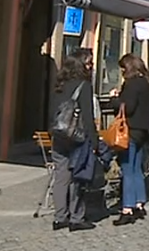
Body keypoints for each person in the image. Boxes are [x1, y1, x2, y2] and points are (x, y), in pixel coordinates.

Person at [48, 54, 98, 232]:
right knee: (78, 176)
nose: (90, 66)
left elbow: (53, 112)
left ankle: (59, 217)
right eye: (88, 63)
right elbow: (87, 115)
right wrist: (94, 141)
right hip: (77, 137)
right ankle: (76, 217)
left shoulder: (59, 85)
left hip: (59, 135)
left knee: (61, 177)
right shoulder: (84, 85)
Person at [110, 54, 149, 226]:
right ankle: (139, 202)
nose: (121, 71)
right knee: (137, 168)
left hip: (130, 130)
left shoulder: (131, 84)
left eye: (122, 68)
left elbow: (127, 107)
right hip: (143, 131)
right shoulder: (147, 83)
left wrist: (115, 99)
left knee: (127, 168)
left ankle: (127, 208)